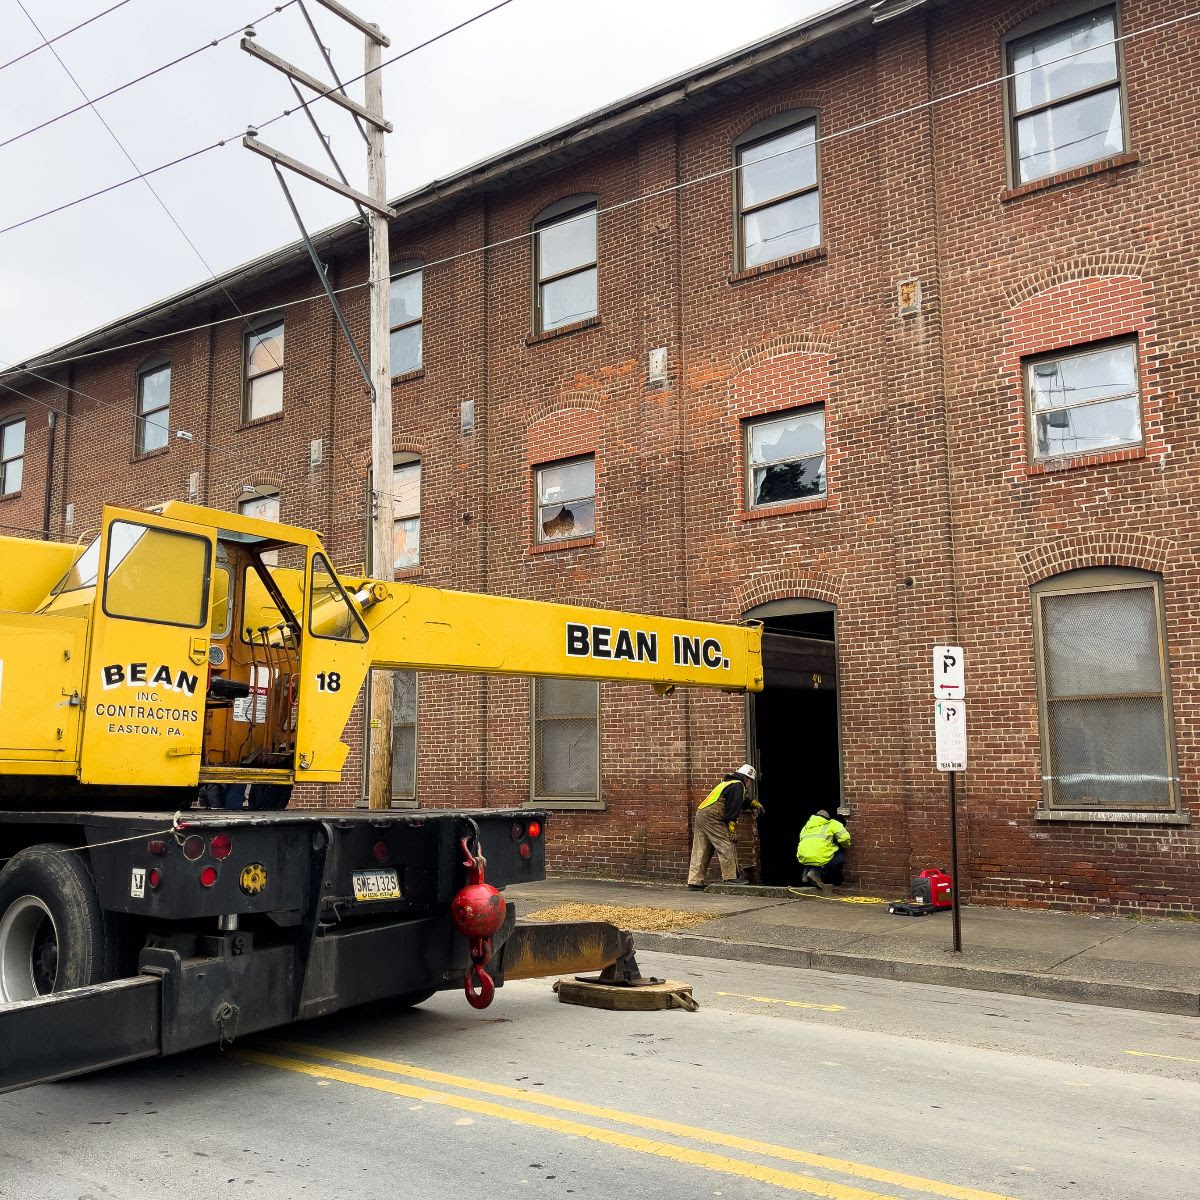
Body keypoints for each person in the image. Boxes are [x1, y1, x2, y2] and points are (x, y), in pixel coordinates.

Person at [687, 763, 761, 889]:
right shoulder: (738, 785)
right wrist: (731, 826)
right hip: (713, 817)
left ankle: (694, 882)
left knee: (702, 848)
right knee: (727, 843)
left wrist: (750, 802)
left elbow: (733, 799)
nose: (750, 784)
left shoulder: (728, 782)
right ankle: (730, 877)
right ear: (747, 778)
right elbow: (733, 806)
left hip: (702, 814)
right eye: (751, 781)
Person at [796, 808, 850, 888]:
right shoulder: (832, 823)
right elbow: (845, 838)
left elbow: (802, 840)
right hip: (819, 856)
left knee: (812, 856)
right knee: (839, 857)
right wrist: (845, 845)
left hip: (803, 856)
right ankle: (816, 872)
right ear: (828, 819)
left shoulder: (806, 826)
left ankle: (806, 873)